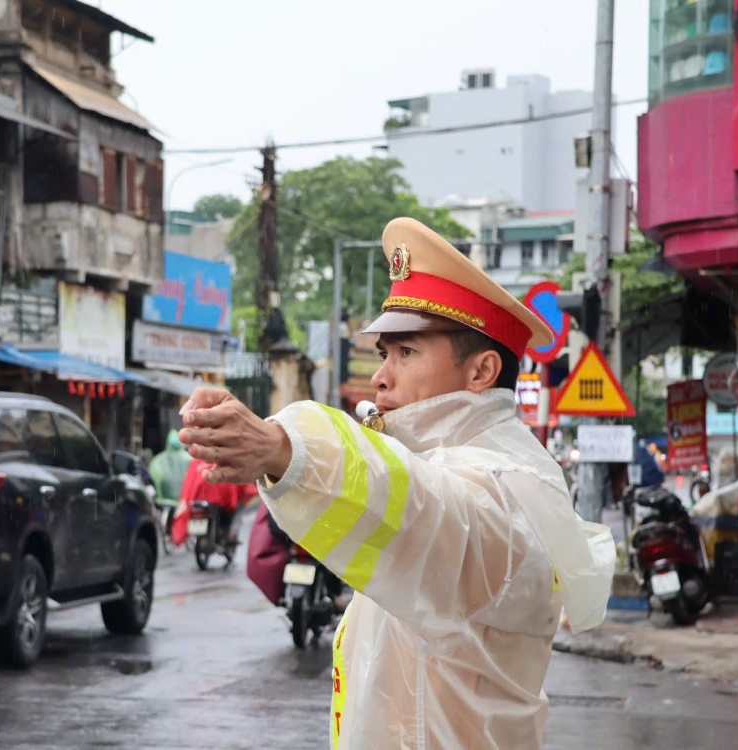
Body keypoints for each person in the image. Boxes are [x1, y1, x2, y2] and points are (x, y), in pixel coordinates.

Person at [179, 218, 615, 749]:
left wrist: (282, 448)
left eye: (406, 353)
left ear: (481, 372)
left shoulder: (505, 487)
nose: (381, 376)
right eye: (384, 354)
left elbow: (422, 509)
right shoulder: (458, 463)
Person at [171, 456, 258, 547]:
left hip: (199, 500)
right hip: (220, 500)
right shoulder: (226, 458)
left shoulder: (197, 461)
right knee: (238, 509)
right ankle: (231, 535)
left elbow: (188, 484)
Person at [147, 429, 192, 535]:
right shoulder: (190, 459)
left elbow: (152, 476)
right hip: (184, 499)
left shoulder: (157, 460)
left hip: (163, 499)